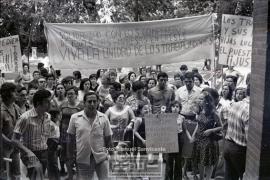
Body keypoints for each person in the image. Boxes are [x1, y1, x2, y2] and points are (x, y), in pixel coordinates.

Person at [12, 89, 59, 179]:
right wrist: (28, 152)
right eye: (47, 102)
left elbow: (47, 134)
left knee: (40, 176)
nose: (50, 104)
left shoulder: (47, 116)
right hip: (29, 152)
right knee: (37, 173)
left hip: (44, 151)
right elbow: (14, 140)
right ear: (38, 103)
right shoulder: (25, 118)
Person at [67, 92, 113, 180]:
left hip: (101, 157)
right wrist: (70, 157)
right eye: (89, 101)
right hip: (83, 157)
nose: (92, 104)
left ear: (98, 102)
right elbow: (70, 139)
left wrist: (113, 156)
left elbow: (108, 139)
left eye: (94, 101)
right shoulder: (75, 117)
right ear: (84, 103)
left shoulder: (104, 118)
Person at [193, 92, 222, 180]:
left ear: (207, 101)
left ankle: (208, 178)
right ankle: (201, 178)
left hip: (209, 141)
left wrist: (211, 130)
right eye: (199, 98)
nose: (199, 100)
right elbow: (198, 124)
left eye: (201, 99)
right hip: (199, 139)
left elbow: (221, 126)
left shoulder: (213, 113)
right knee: (199, 160)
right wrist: (193, 137)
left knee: (208, 162)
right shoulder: (199, 110)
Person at [224, 84, 250, 180]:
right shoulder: (249, 110)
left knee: (230, 177)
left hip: (228, 146)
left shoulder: (235, 104)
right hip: (239, 151)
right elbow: (249, 140)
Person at [165, 100, 194, 180]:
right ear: (171, 108)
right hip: (170, 138)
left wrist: (190, 138)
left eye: (177, 107)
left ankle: (177, 178)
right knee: (169, 159)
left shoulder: (182, 118)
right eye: (173, 106)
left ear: (180, 109)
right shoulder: (166, 117)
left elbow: (185, 130)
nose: (175, 108)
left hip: (179, 138)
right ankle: (168, 177)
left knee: (178, 159)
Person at [59, 86, 84, 179]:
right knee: (66, 156)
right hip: (64, 134)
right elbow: (59, 120)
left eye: (72, 93)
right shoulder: (63, 105)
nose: (69, 95)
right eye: (68, 93)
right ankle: (70, 175)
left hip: (77, 134)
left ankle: (78, 176)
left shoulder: (81, 106)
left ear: (76, 95)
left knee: (77, 155)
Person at [1, 83, 22, 179]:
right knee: (5, 174)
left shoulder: (16, 107)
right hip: (3, 149)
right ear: (8, 94)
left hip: (15, 148)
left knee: (16, 174)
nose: (16, 94)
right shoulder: (1, 111)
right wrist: (10, 142)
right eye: (14, 92)